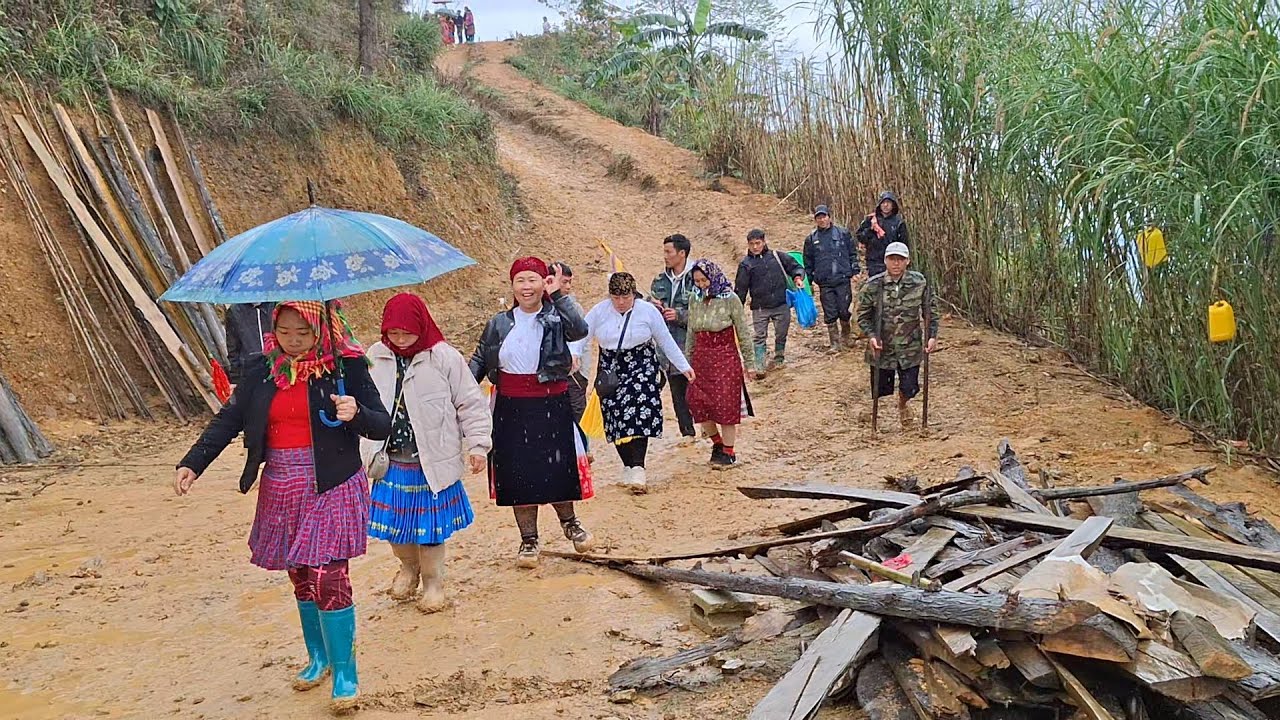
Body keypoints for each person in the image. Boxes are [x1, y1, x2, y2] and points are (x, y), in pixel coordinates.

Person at [173, 301, 390, 713]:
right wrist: (192, 463)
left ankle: (345, 672)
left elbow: (381, 423)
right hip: (281, 484)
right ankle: (319, 657)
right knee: (301, 576)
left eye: (303, 333)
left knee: (328, 575)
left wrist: (356, 412)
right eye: (285, 331)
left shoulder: (346, 367)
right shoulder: (262, 369)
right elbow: (229, 419)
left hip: (332, 483)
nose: (293, 340)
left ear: (320, 330)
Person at [364, 294, 490, 614]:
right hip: (389, 460)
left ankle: (434, 582)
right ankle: (408, 568)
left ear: (422, 326)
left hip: (430, 462)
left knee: (430, 529)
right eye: (394, 334)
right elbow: (361, 404)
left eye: (408, 333)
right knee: (395, 526)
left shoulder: (443, 357)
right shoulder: (374, 357)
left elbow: (470, 403)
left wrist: (478, 445)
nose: (401, 340)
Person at [470, 258, 592, 569]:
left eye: (533, 280)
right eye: (520, 281)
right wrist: (461, 392)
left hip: (551, 402)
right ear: (512, 286)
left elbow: (580, 330)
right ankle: (528, 539)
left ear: (544, 283)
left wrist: (559, 296)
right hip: (510, 407)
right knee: (518, 474)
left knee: (556, 468)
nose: (527, 287)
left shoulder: (556, 316)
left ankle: (570, 522)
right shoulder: (498, 323)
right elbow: (480, 360)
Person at [581, 272, 694, 492]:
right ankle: (627, 465)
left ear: (634, 294)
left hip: (642, 364)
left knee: (639, 411)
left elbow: (665, 340)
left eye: (626, 297)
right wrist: (573, 356)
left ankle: (639, 467)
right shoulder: (598, 312)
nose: (621, 302)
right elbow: (581, 338)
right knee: (615, 414)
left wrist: (684, 366)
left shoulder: (648, 311)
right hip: (611, 366)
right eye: (616, 298)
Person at [856, 242, 938, 429]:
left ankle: (904, 406)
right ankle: (876, 415)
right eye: (892, 259)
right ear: (885, 261)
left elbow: (930, 312)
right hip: (883, 346)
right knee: (881, 388)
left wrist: (932, 336)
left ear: (907, 261)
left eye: (900, 260)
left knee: (910, 387)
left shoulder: (919, 283)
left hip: (910, 345)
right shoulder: (873, 285)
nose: (896, 264)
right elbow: (863, 316)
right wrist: (871, 336)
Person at [685, 259, 754, 465]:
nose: (701, 285)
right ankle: (717, 442)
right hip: (701, 358)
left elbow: (742, 330)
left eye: (704, 280)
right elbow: (690, 331)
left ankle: (729, 451)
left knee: (725, 405)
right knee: (696, 401)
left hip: (724, 356)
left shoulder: (730, 299)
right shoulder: (694, 299)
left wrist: (749, 363)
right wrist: (686, 361)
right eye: (697, 281)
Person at [734, 229, 805, 379]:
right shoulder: (746, 265)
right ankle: (760, 364)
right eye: (752, 244)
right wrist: (736, 309)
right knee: (759, 336)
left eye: (758, 243)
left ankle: (779, 357)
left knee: (781, 333)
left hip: (781, 304)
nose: (755, 247)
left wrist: (798, 277)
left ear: (764, 242)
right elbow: (741, 289)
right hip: (760, 307)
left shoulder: (777, 257)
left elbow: (795, 267)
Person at [649, 234, 697, 439]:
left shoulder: (698, 277)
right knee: (678, 395)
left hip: (692, 346)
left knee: (697, 391)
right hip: (666, 350)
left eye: (668, 252)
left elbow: (707, 311)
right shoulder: (659, 280)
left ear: (682, 253)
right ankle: (688, 434)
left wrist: (680, 316)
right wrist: (654, 309)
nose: (665, 256)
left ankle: (709, 431)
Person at [803, 205, 859, 351]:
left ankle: (846, 335)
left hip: (842, 278)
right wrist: (807, 281)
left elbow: (852, 253)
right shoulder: (811, 239)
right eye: (819, 217)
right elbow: (808, 262)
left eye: (824, 216)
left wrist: (854, 270)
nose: (822, 220)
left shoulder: (843, 233)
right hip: (824, 281)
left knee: (844, 309)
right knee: (830, 312)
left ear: (829, 217)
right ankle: (834, 342)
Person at [550, 261, 589, 421]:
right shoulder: (540, 308)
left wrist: (583, 374)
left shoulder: (574, 308)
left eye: (570, 282)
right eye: (564, 282)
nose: (568, 287)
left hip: (575, 375)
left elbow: (583, 341)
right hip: (551, 376)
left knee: (578, 419)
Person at [856, 191, 908, 278]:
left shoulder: (898, 223)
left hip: (892, 262)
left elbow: (903, 244)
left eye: (888, 203)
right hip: (874, 262)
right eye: (883, 202)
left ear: (893, 205)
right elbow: (860, 237)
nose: (885, 205)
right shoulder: (871, 219)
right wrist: (870, 230)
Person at [225, 302, 275, 387]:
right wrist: (235, 379)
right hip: (249, 371)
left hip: (277, 369)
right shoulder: (235, 311)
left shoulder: (275, 305)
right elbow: (233, 347)